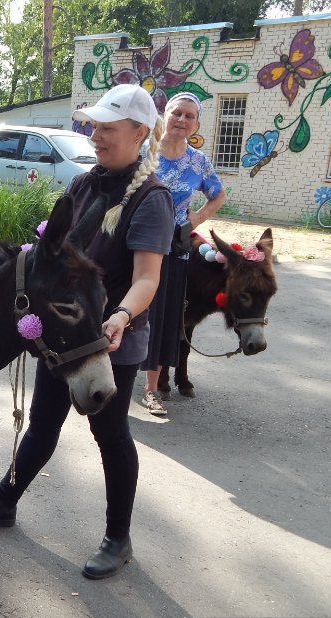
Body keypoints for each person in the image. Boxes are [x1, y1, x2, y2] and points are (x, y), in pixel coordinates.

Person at [0, 83, 174, 580]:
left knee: (109, 432)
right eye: (94, 127)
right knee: (43, 422)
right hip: (68, 334)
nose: (96, 136)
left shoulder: (152, 199)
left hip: (110, 339)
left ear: (139, 133)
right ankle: (3, 502)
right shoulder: (86, 183)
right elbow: (55, 254)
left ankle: (119, 538)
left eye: (108, 129)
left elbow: (146, 277)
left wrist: (121, 316)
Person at [139, 92, 226, 416]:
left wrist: (196, 219)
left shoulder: (198, 161)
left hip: (175, 249)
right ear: (165, 115)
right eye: (177, 113)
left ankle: (151, 389)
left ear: (196, 124)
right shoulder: (145, 153)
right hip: (138, 244)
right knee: (129, 309)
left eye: (189, 116)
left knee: (164, 319)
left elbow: (218, 195)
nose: (182, 120)